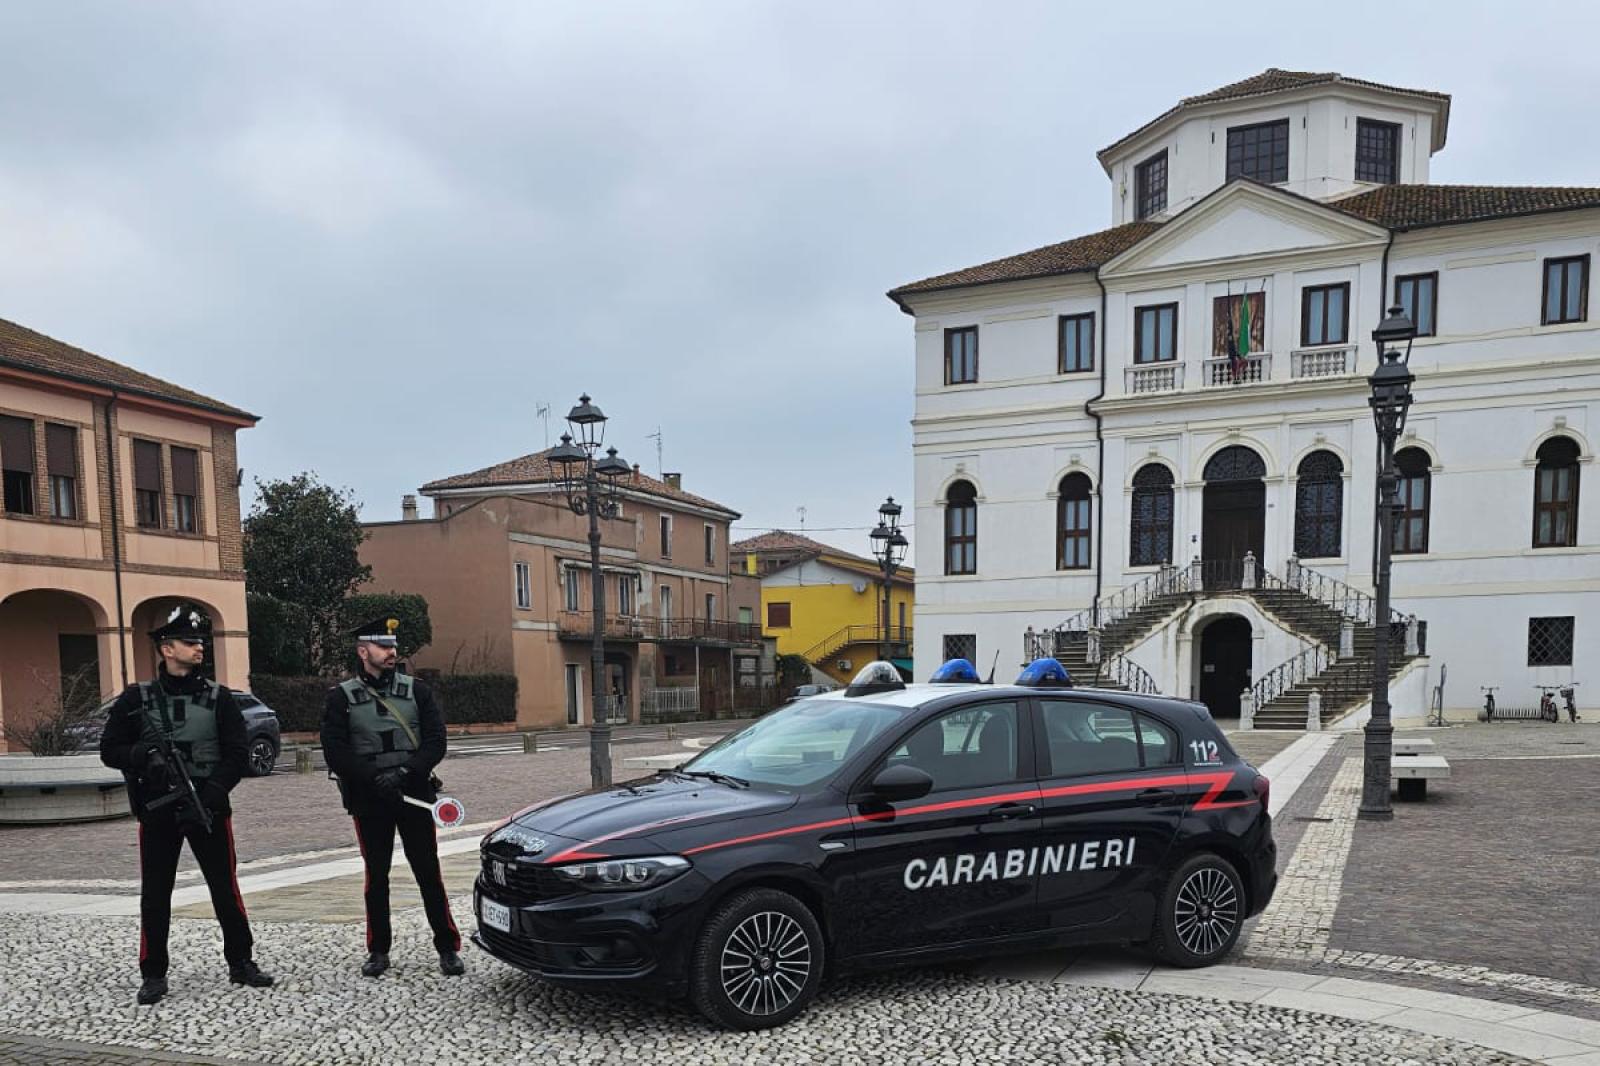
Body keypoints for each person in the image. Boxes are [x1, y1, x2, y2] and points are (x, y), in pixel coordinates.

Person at [99, 603, 274, 1005]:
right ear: (167, 649)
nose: (199, 648)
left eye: (200, 642)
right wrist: (143, 756)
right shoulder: (137, 699)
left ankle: (241, 961)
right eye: (189, 642)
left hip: (207, 805)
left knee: (225, 887)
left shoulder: (219, 698)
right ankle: (153, 973)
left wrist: (214, 791)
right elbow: (110, 749)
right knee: (155, 892)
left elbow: (237, 752)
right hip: (159, 807)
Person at [321, 616, 463, 977]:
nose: (391, 652)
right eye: (383, 646)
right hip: (369, 799)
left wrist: (404, 773)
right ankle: (378, 950)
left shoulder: (418, 692)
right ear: (362, 651)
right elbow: (335, 750)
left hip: (413, 794)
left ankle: (448, 947)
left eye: (393, 646)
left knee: (428, 871)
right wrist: (373, 777)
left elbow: (436, 741)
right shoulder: (340, 698)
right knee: (376, 875)